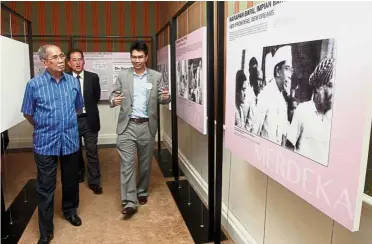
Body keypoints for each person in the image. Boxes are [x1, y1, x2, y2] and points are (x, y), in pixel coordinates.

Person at [21, 44, 84, 244]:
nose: (59, 60)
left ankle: (70, 211)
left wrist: (64, 124)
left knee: (71, 181)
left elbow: (78, 108)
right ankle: (46, 230)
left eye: (61, 55)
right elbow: (28, 113)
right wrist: (45, 127)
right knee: (45, 187)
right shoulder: (33, 85)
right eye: (54, 57)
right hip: (45, 143)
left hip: (70, 140)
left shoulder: (73, 83)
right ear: (44, 62)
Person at [109, 41, 171, 216]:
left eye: (140, 57)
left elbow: (162, 98)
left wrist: (166, 98)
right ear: (130, 57)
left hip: (147, 126)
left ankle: (142, 191)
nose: (136, 60)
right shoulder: (123, 76)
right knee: (127, 164)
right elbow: (112, 96)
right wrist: (115, 101)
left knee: (144, 164)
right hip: (127, 126)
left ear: (146, 57)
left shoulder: (156, 76)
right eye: (134, 57)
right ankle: (129, 201)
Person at [67, 49, 103, 194]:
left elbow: (96, 97)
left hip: (89, 120)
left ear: (84, 61)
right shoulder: (65, 78)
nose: (77, 62)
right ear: (69, 63)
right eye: (74, 59)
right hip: (72, 121)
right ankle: (79, 173)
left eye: (79, 59)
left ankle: (95, 181)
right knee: (75, 152)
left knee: (92, 151)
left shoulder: (93, 77)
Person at [286, 59, 335, 166]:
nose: (334, 92)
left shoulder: (332, 117)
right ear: (319, 88)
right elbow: (288, 145)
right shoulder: (303, 110)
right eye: (330, 86)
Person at [252, 45, 293, 145]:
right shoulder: (265, 95)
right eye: (287, 69)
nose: (290, 75)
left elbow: (283, 135)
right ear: (278, 71)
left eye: (291, 70)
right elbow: (254, 133)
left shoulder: (282, 101)